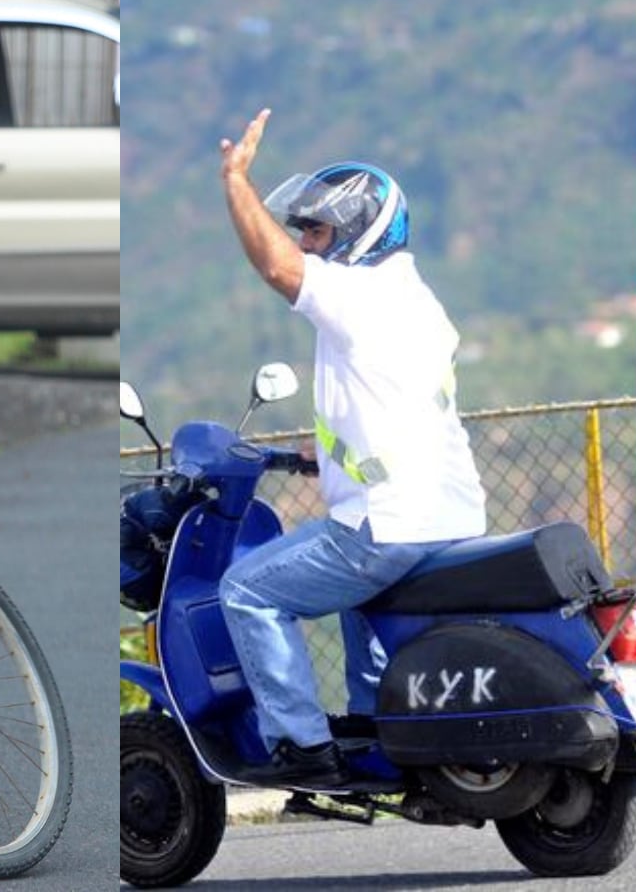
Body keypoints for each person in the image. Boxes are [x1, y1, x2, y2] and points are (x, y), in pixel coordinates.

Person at [214, 108, 488, 788]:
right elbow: (393, 402)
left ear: (362, 233)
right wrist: (321, 457)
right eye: (303, 228)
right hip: (450, 518)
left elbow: (277, 269)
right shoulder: (414, 299)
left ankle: (301, 747)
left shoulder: (357, 294)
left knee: (246, 590)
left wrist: (235, 181)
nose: (305, 241)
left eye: (316, 228)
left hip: (387, 525)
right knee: (362, 597)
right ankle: (375, 730)